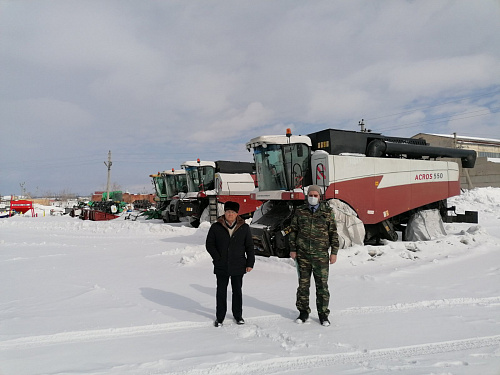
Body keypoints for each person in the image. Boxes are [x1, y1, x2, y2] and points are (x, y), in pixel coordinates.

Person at [288, 185, 339, 326]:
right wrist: (293, 249)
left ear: (320, 197)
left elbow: (333, 233)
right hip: (303, 256)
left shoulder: (327, 212)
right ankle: (303, 312)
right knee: (303, 285)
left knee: (322, 285)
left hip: (320, 256)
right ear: (307, 196)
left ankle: (323, 314)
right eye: (311, 194)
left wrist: (334, 252)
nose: (313, 197)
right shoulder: (300, 212)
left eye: (316, 195)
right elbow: (293, 231)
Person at [205, 201, 255, 327]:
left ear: (237, 214)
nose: (230, 214)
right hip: (221, 265)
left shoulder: (244, 228)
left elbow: (249, 247)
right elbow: (209, 244)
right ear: (225, 213)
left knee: (237, 291)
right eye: (228, 212)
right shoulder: (216, 227)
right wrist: (217, 258)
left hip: (238, 264)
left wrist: (250, 263)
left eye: (233, 212)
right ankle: (220, 317)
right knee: (221, 291)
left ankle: (238, 316)